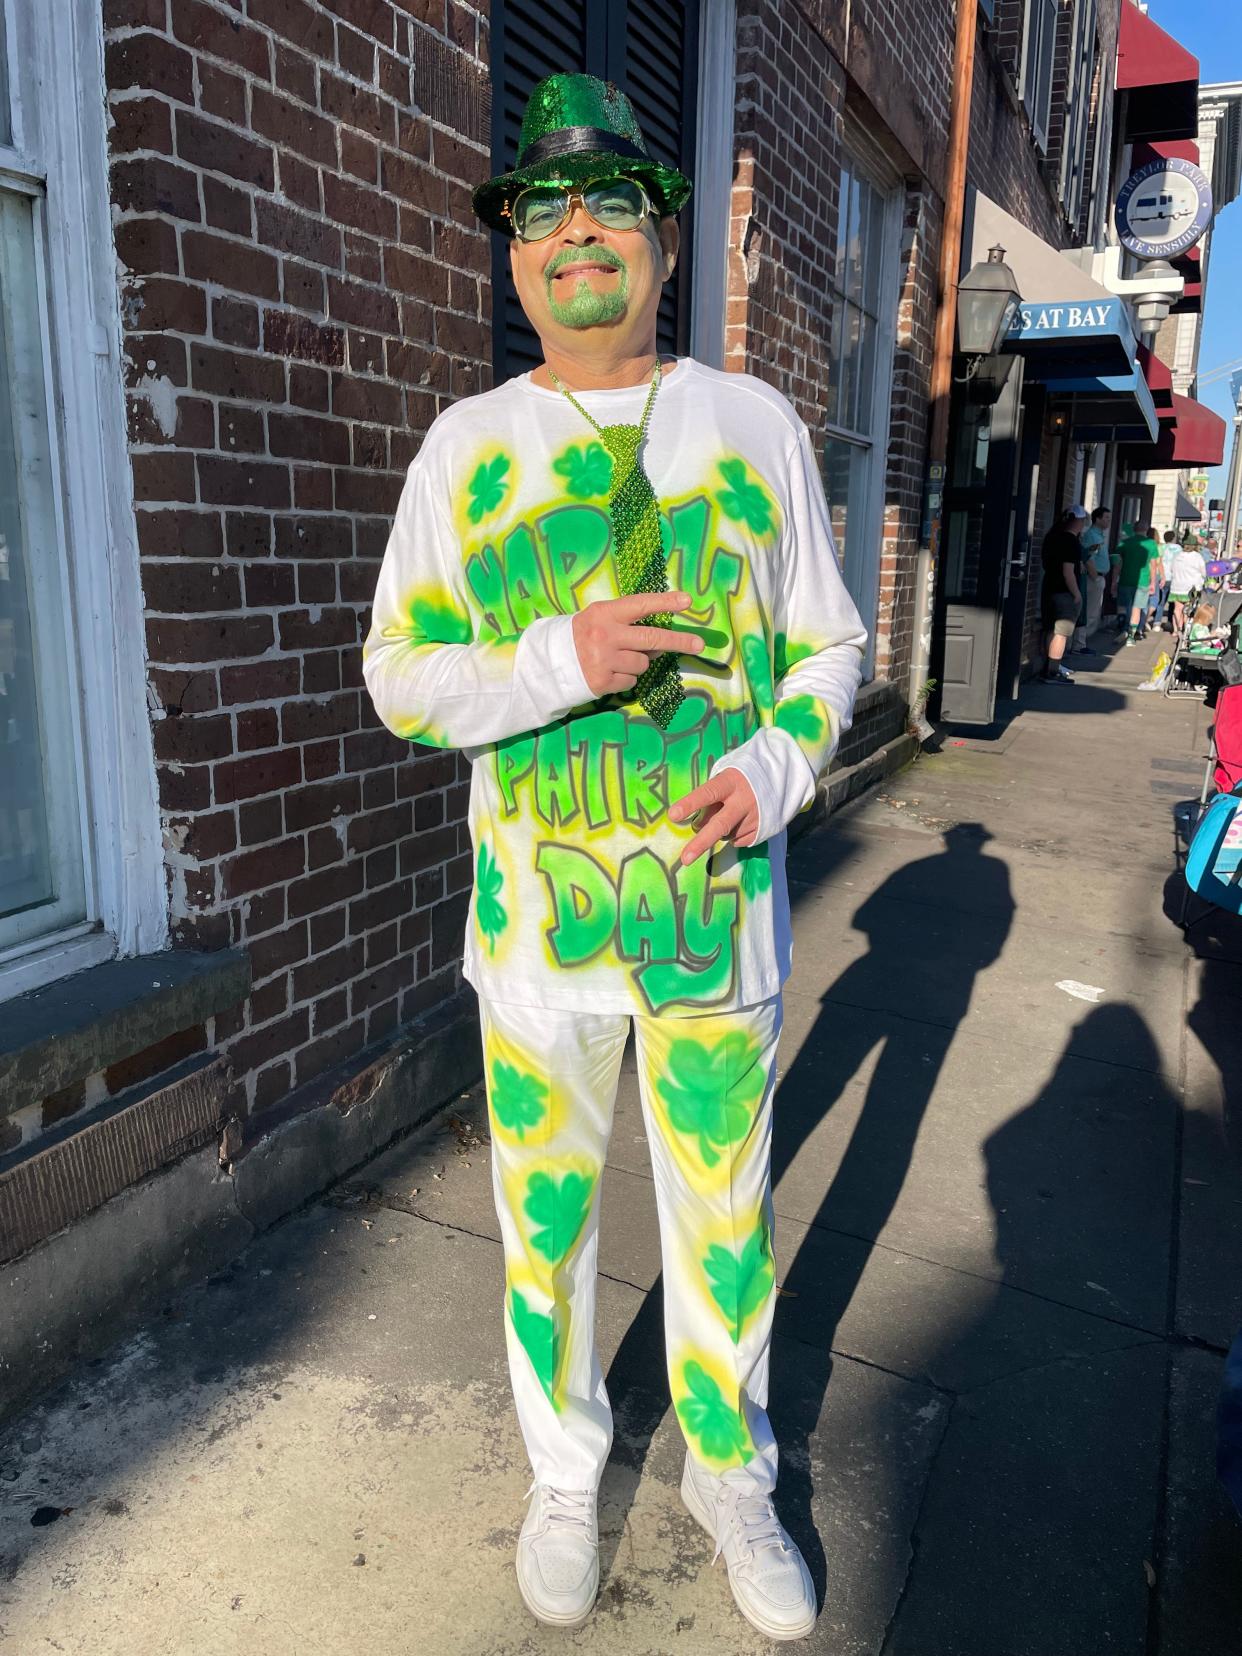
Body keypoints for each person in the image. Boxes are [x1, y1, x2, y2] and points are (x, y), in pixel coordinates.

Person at [363, 74, 866, 1642]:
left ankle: (732, 1476)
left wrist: (776, 766)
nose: (572, 232)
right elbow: (399, 676)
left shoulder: (755, 425)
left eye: (607, 207)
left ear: (660, 242)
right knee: (548, 1225)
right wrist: (557, 659)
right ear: (511, 259)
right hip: (536, 936)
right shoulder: (466, 449)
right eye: (539, 212)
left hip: (715, 927)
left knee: (724, 1218)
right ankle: (565, 1469)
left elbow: (830, 644)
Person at [1040, 505, 1086, 682]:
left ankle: (1048, 668)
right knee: (1061, 632)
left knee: (1050, 629)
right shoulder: (1071, 541)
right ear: (1078, 522)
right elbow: (1068, 571)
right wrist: (1076, 593)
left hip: (1049, 587)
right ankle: (1053, 671)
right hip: (1064, 592)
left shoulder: (1052, 537)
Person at [1071, 505, 1111, 653]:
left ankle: (1081, 643)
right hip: (1093, 578)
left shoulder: (1099, 535)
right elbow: (1088, 558)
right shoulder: (1092, 536)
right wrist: (1095, 578)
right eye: (1106, 518)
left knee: (1092, 612)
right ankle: (1079, 645)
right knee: (1089, 612)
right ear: (1097, 519)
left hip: (1099, 576)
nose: (1108, 521)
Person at [1115, 523, 1162, 645]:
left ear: (1134, 530)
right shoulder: (1151, 544)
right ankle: (1131, 636)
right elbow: (1153, 565)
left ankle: (1122, 628)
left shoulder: (1124, 542)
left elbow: (1118, 563)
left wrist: (1114, 580)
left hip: (1125, 579)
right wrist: (1153, 582)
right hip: (1143, 581)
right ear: (1146, 530)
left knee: (1123, 606)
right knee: (1136, 609)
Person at [1170, 536, 1208, 635]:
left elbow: (1172, 569)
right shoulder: (1197, 557)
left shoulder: (1177, 556)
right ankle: (1186, 631)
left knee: (1177, 609)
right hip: (1192, 588)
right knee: (1188, 610)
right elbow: (1204, 572)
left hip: (1176, 586)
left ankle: (1176, 630)